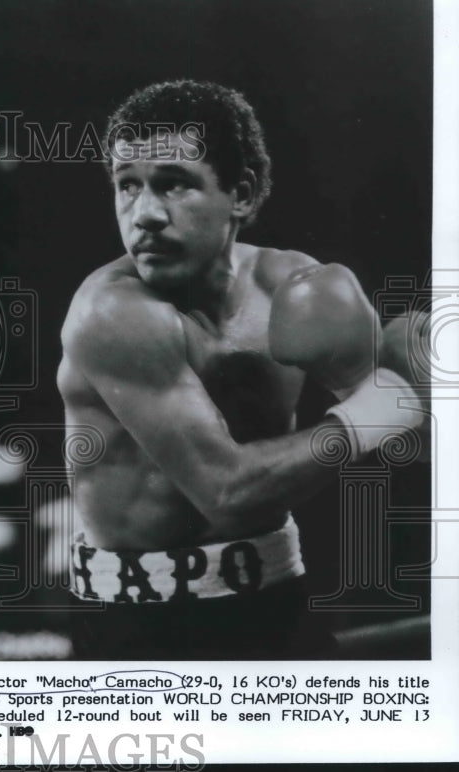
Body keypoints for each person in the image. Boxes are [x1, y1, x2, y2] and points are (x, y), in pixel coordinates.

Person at [57, 80, 426, 659]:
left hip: (277, 596)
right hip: (139, 624)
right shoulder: (111, 313)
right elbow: (227, 492)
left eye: (174, 184)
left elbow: (413, 432)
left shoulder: (294, 286)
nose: (145, 214)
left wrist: (426, 393)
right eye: (127, 186)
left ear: (243, 195)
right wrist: (379, 412)